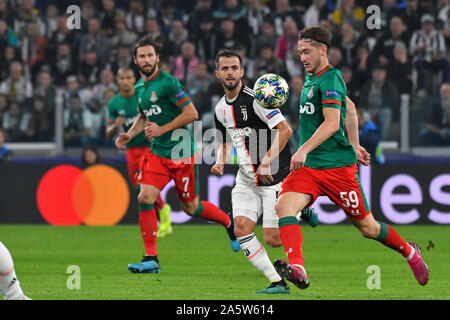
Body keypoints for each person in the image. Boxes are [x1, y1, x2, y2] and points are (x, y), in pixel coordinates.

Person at [272, 26, 429, 290]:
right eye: (299, 52)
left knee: (368, 228)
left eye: (307, 51)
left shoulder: (331, 78)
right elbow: (351, 109)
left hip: (337, 169)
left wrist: (303, 149)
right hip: (310, 169)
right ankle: (297, 266)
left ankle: (410, 252)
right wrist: (354, 144)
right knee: (283, 207)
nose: (302, 58)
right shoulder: (312, 78)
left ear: (323, 49)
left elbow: (333, 123)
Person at [115, 35, 240, 274]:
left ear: (157, 58)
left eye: (151, 55)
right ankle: (151, 258)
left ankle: (228, 222)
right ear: (135, 60)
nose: (147, 59)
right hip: (159, 153)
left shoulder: (169, 83)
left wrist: (162, 128)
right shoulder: (140, 88)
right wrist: (129, 135)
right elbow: (144, 115)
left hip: (182, 154)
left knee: (191, 208)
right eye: (142, 56)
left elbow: (191, 112)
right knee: (145, 197)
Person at [211, 49, 318, 294]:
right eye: (225, 68)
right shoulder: (219, 109)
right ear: (217, 73)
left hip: (274, 177)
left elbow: (286, 130)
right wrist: (220, 161)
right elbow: (226, 141)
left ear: (242, 72)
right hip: (246, 179)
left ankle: (301, 210)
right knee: (241, 229)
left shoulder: (258, 99)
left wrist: (267, 160)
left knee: (274, 239)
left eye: (234, 68)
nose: (230, 72)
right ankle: (277, 282)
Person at [106, 67, 172, 238]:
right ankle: (162, 212)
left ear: (133, 80)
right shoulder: (114, 103)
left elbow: (155, 114)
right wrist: (115, 126)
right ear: (118, 81)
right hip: (130, 150)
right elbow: (107, 132)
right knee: (137, 188)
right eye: (122, 78)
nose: (126, 81)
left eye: (129, 77)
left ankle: (162, 214)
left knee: (145, 185)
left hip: (147, 147)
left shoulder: (141, 96)